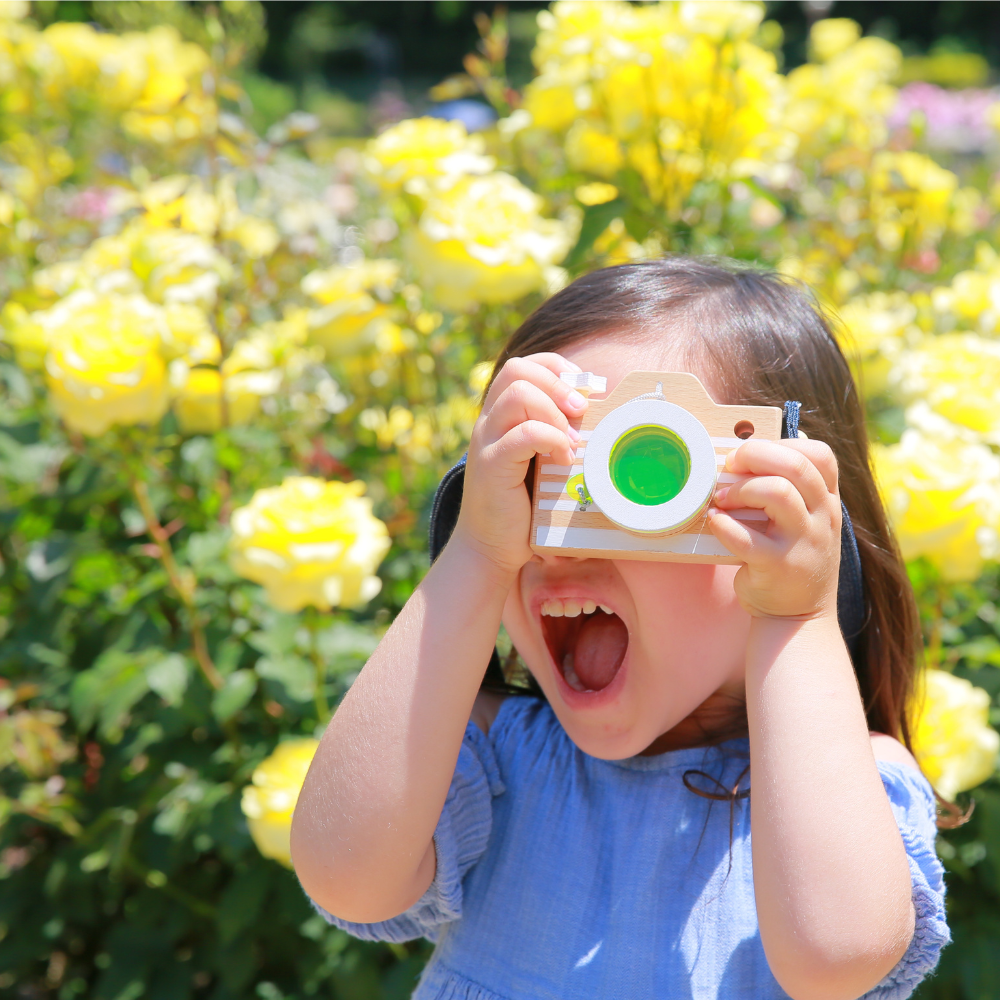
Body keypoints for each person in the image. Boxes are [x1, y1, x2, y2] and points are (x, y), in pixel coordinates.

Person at [290, 258, 950, 1000]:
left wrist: (797, 616)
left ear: (780, 521)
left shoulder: (843, 787)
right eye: (535, 478)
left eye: (645, 479)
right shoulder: (495, 758)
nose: (560, 542)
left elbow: (834, 957)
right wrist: (476, 552)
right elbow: (346, 875)